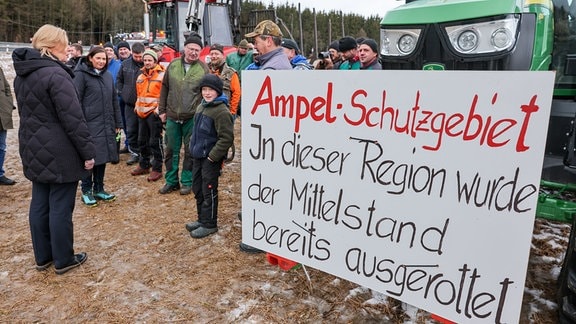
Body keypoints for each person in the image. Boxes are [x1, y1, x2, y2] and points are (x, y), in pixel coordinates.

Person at [12, 24, 95, 274]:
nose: (67, 50)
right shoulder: (56, 75)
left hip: (33, 145)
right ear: (52, 47)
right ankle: (63, 259)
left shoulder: (23, 73)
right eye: (63, 46)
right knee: (60, 205)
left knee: (40, 202)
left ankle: (43, 256)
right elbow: (73, 119)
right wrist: (88, 152)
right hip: (59, 149)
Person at [240, 20, 292, 253]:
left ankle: (266, 233)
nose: (254, 45)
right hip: (270, 138)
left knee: (272, 185)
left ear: (268, 40)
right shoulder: (271, 64)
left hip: (273, 140)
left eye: (257, 41)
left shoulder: (274, 69)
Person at [158, 33, 209, 195]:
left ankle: (187, 181)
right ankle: (171, 181)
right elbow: (164, 88)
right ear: (185, 49)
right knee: (171, 150)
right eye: (191, 49)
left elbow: (207, 93)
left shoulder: (203, 69)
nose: (193, 52)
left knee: (189, 151)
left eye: (197, 50)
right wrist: (162, 110)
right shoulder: (172, 65)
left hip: (192, 118)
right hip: (172, 116)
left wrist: (203, 115)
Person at [185, 74, 234, 238]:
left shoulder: (221, 111)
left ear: (217, 91)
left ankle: (210, 223)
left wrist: (213, 157)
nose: (207, 93)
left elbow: (226, 138)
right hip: (197, 156)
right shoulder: (201, 106)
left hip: (210, 159)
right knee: (197, 188)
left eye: (210, 90)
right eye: (204, 89)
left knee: (209, 190)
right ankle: (201, 219)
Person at [73, 47, 122, 206]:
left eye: (104, 59)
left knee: (103, 157)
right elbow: (75, 101)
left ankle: (99, 188)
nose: (101, 61)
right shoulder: (81, 75)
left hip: (106, 123)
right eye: (98, 58)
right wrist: (80, 124)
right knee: (90, 158)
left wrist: (117, 123)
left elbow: (114, 100)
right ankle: (86, 191)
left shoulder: (107, 76)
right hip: (89, 124)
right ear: (90, 58)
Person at [130, 49, 165, 182]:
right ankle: (144, 164)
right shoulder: (140, 77)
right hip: (141, 113)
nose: (147, 62)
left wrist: (158, 110)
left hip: (153, 113)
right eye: (145, 60)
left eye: (150, 60)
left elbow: (163, 95)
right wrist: (137, 108)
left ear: (155, 61)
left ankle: (157, 168)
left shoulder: (162, 75)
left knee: (154, 141)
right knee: (141, 140)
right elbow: (139, 95)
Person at [117, 42, 145, 166]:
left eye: (140, 57)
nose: (138, 59)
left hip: (145, 104)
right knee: (131, 129)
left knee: (145, 130)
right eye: (136, 56)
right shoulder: (125, 65)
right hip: (130, 103)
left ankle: (146, 153)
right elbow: (119, 80)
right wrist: (122, 93)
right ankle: (134, 152)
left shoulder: (148, 63)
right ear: (131, 53)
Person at [208, 44, 241, 118]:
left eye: (216, 54)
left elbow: (237, 93)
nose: (214, 56)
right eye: (212, 54)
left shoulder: (230, 73)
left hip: (225, 113)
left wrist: (232, 112)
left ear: (222, 55)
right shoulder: (206, 71)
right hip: (208, 112)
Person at [0, 66, 15, 185]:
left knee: (1, 146)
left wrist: (8, 104)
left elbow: (6, 88)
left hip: (2, 114)